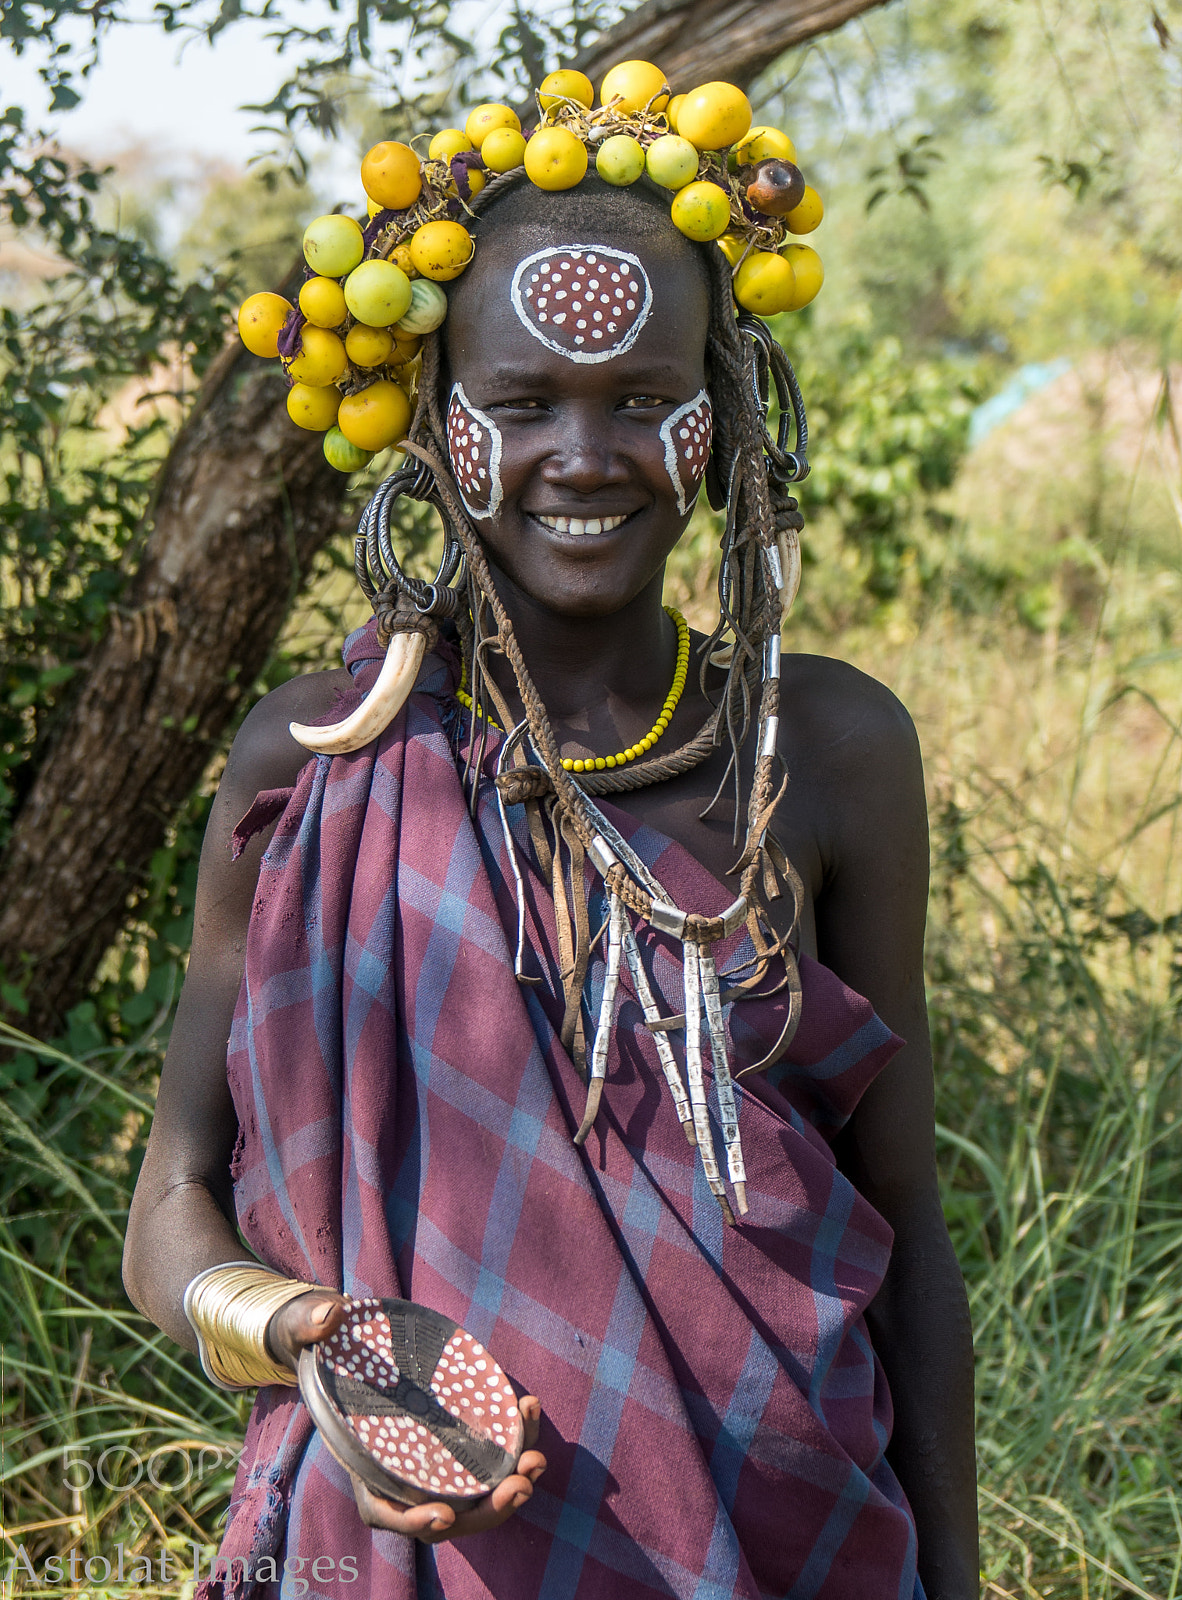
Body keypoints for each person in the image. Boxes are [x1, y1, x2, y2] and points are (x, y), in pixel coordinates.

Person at [123, 72, 977, 1600]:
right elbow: (170, 1200)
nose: (585, 455)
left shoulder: (828, 755)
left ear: (725, 414)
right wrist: (310, 1340)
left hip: (789, 1537)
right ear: (436, 433)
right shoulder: (322, 757)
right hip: (408, 1550)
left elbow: (904, 1217)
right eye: (519, 406)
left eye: (647, 399)